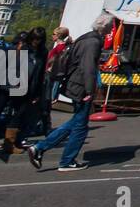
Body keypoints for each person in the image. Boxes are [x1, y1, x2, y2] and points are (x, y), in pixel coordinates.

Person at [28, 13, 108, 172]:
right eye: (111, 26)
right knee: (80, 126)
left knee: (76, 121)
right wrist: (90, 89)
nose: (112, 29)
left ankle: (40, 148)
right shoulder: (93, 42)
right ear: (105, 27)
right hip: (81, 87)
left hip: (75, 84)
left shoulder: (84, 38)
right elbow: (88, 67)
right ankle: (66, 160)